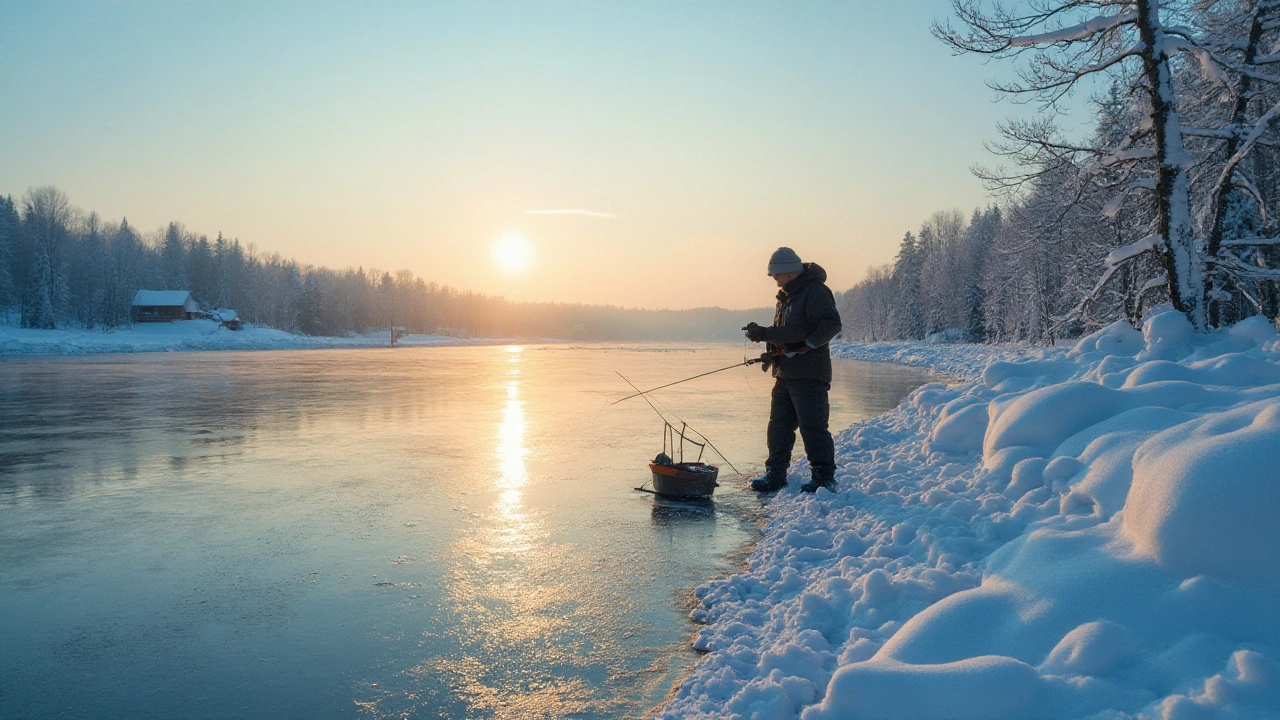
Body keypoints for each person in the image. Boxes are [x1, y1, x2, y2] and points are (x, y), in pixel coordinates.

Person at [744, 247, 842, 493]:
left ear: (788, 272)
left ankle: (823, 478)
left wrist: (807, 345)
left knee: (813, 428)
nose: (774, 280)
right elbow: (789, 333)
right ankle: (775, 475)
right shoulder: (786, 296)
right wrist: (772, 348)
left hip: (810, 375)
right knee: (778, 428)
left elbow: (831, 324)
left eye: (775, 275)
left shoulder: (815, 292)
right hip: (785, 374)